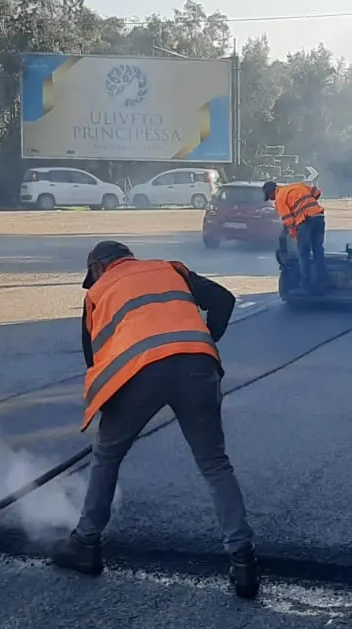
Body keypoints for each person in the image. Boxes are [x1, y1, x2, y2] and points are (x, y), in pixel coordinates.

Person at [53, 241, 261, 599]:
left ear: (99, 268)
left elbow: (95, 361)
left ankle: (85, 544)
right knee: (215, 464)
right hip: (197, 365)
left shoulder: (98, 293)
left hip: (137, 374)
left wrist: (114, 416)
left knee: (107, 456)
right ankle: (243, 562)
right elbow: (224, 299)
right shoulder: (170, 269)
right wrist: (202, 342)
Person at [263, 181, 327, 293]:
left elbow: (288, 221)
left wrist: (294, 235)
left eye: (269, 196)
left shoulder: (280, 198)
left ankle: (306, 284)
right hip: (318, 217)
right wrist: (308, 204)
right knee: (318, 250)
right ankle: (323, 279)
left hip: (306, 221)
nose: (271, 200)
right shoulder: (298, 185)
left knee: (304, 253)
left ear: (271, 192)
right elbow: (317, 192)